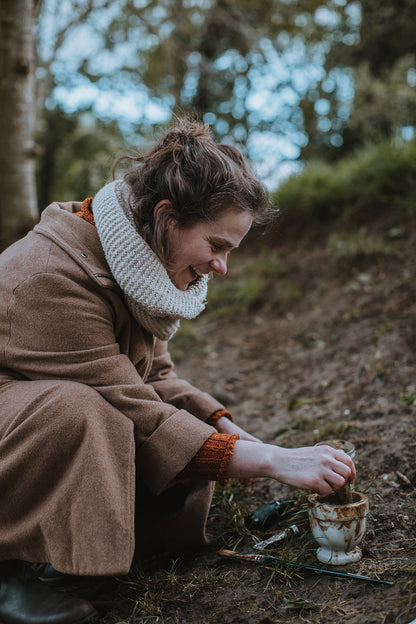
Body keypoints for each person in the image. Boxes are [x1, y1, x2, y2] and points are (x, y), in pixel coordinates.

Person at [0, 120, 356, 624]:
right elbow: (133, 406)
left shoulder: (131, 261)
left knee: (181, 451)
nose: (222, 266)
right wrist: (266, 460)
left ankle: (86, 545)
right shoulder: (48, 279)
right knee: (77, 412)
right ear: (166, 217)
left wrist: (224, 431)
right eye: (217, 245)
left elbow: (154, 380)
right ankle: (10, 570)